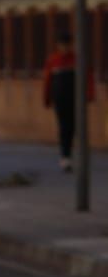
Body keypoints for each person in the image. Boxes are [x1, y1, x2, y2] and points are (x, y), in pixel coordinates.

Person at [42, 29, 94, 172]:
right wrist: (47, 98)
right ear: (58, 45)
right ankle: (66, 157)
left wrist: (89, 95)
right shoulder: (53, 60)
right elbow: (47, 80)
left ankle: (81, 155)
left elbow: (88, 77)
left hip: (76, 99)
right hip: (60, 99)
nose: (65, 47)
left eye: (67, 44)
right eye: (62, 45)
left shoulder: (78, 59)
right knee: (64, 127)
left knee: (78, 126)